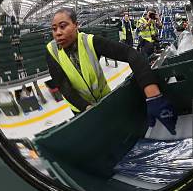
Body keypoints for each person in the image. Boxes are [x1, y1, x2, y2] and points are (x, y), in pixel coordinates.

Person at [45, 7, 177, 134]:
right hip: (80, 108)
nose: (58, 33)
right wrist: (87, 108)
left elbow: (131, 54)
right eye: (54, 29)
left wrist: (153, 95)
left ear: (76, 25)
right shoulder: (52, 51)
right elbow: (63, 86)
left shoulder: (89, 41)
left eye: (63, 26)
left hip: (105, 100)